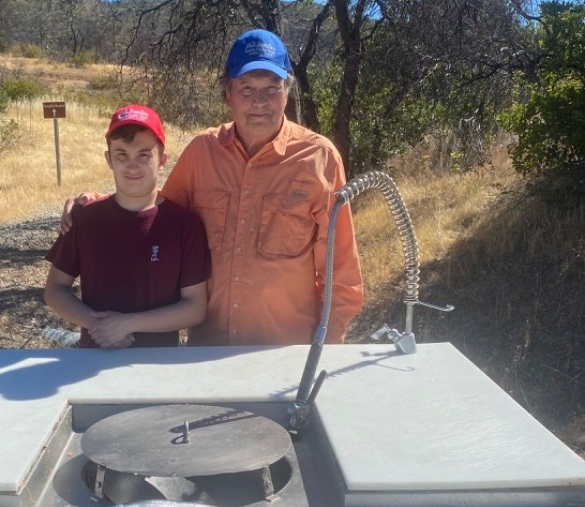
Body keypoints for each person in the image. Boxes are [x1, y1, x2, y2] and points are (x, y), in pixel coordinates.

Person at [63, 30, 363, 348]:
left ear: (287, 93)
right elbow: (156, 212)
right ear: (227, 93)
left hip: (287, 354)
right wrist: (95, 204)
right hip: (207, 350)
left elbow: (341, 271)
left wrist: (327, 348)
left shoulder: (319, 158)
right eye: (246, 88)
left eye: (272, 89)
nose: (260, 101)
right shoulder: (202, 152)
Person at [44, 104, 211, 349]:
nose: (132, 165)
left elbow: (195, 308)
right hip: (93, 357)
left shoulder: (184, 224)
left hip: (160, 365)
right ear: (108, 159)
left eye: (144, 155)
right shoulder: (85, 217)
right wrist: (97, 324)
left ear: (162, 159)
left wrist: (128, 324)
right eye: (122, 154)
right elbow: (55, 291)